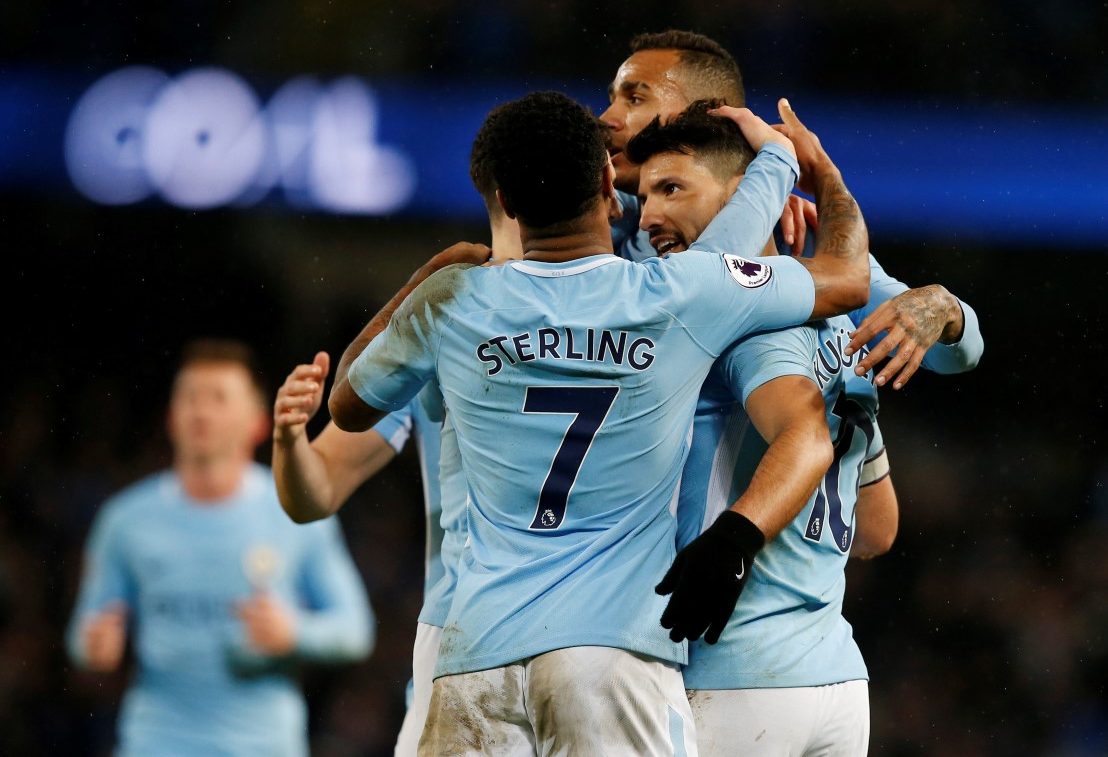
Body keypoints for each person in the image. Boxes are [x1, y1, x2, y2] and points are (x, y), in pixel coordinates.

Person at [328, 89, 870, 755]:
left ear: (507, 201)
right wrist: (816, 176)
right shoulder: (679, 292)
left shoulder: (454, 300)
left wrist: (423, 281)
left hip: (477, 653)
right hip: (613, 656)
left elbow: (348, 406)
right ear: (610, 183)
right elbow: (846, 278)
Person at [627, 99, 904, 755]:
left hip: (730, 670)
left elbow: (802, 434)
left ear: (750, 194)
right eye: (643, 197)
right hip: (834, 677)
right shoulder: (842, 327)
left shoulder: (737, 321)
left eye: (672, 190)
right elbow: (877, 527)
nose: (650, 217)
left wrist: (734, 539)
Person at [272, 130, 524, 757]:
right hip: (471, 658)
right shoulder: (443, 328)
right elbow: (316, 490)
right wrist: (288, 440)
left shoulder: (633, 300)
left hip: (562, 656)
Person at [601, 29, 983, 389]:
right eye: (613, 97)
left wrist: (941, 308)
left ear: (709, 113)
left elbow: (948, 354)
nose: (607, 119)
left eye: (635, 98)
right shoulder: (587, 229)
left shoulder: (790, 233)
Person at [66, 338, 374, 757]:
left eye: (219, 398)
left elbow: (354, 630)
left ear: (258, 422)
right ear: (170, 417)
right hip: (155, 743)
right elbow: (84, 632)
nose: (202, 411)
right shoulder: (126, 521)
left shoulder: (295, 513)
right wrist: (94, 647)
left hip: (263, 746)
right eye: (190, 397)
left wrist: (294, 632)